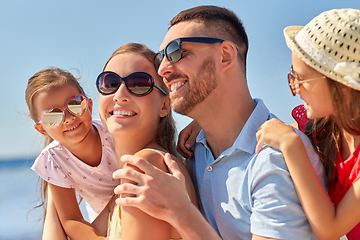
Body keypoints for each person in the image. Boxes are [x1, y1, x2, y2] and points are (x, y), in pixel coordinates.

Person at [111, 5, 325, 240]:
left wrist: (181, 211)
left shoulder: (276, 158)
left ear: (225, 55)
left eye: (175, 51)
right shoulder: (195, 149)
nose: (162, 69)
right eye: (160, 58)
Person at [256, 8, 360, 240]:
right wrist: (201, 127)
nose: (295, 89)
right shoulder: (324, 126)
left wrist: (292, 146)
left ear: (342, 87)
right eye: (293, 77)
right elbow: (271, 131)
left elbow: (330, 229)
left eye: (302, 79)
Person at [96, 43, 198, 240]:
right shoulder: (149, 164)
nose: (120, 95)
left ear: (165, 105)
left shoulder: (144, 167)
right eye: (109, 83)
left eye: (139, 84)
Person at [26, 68, 119, 239]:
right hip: (102, 225)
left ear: (89, 105)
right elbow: (71, 219)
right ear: (42, 129)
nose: (68, 117)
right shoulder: (52, 160)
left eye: (75, 104)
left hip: (132, 202)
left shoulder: (113, 133)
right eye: (53, 116)